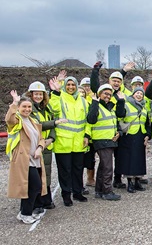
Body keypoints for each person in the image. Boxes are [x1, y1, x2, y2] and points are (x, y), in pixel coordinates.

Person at [6, 92, 48, 224]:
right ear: (19, 108)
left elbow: (41, 138)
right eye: (24, 106)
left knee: (31, 187)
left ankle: (23, 212)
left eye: (29, 107)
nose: (27, 109)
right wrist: (14, 103)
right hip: (24, 160)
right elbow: (9, 120)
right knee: (35, 186)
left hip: (34, 159)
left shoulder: (32, 121)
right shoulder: (17, 121)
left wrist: (40, 148)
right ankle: (26, 213)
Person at [25, 81, 67, 209]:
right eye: (35, 94)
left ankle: (45, 199)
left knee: (46, 173)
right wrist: (54, 123)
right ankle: (36, 203)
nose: (38, 96)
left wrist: (51, 138)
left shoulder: (46, 108)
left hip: (46, 145)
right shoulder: (28, 109)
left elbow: (52, 125)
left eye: (40, 94)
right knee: (35, 175)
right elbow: (36, 126)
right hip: (34, 146)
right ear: (30, 94)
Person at [48, 76, 89, 206]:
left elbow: (87, 120)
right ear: (64, 86)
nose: (70, 87)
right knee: (65, 170)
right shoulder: (59, 97)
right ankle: (66, 194)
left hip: (79, 142)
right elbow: (53, 108)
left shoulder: (83, 101)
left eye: (73, 85)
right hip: (63, 142)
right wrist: (55, 92)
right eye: (68, 85)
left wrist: (87, 135)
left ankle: (77, 192)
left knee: (78, 169)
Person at [87, 84, 125, 200]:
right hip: (101, 140)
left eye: (109, 94)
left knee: (103, 167)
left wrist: (119, 132)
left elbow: (115, 123)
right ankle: (107, 191)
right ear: (99, 94)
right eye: (105, 93)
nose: (108, 96)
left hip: (109, 140)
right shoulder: (97, 106)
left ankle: (99, 190)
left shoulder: (110, 108)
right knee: (108, 167)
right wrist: (94, 103)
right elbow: (91, 119)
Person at [116, 86, 151, 193]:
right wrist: (121, 101)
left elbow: (147, 123)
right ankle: (130, 182)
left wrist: (147, 135)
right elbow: (120, 114)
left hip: (140, 135)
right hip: (129, 135)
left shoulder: (144, 108)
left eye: (141, 93)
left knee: (139, 160)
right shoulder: (126, 104)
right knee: (129, 160)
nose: (139, 95)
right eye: (137, 93)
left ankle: (137, 181)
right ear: (133, 94)